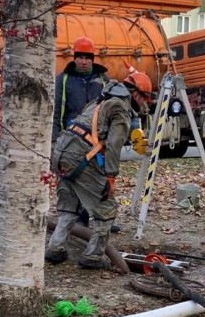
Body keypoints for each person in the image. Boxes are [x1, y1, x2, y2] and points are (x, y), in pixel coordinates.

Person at [45, 70, 153, 268]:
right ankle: (93, 256)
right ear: (137, 94)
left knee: (69, 204)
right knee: (106, 207)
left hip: (61, 150)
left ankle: (56, 247)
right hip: (80, 156)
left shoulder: (101, 100)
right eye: (145, 99)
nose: (144, 104)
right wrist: (110, 177)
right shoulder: (121, 108)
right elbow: (114, 145)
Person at [52, 36, 118, 232]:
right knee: (73, 181)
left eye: (87, 57)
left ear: (92, 59)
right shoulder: (64, 80)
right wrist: (56, 140)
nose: (83, 61)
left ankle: (102, 219)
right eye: (79, 57)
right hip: (72, 141)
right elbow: (56, 112)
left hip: (97, 142)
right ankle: (79, 222)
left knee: (100, 179)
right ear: (74, 58)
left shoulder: (102, 81)